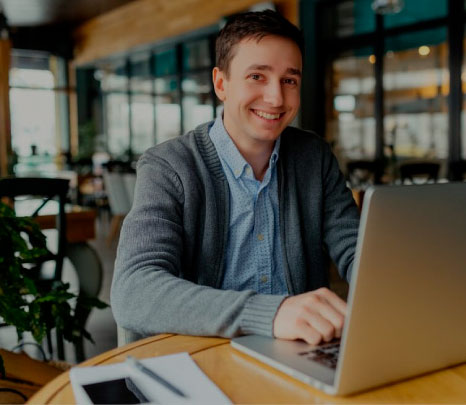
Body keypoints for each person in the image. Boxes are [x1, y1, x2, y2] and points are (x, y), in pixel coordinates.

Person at [111, 10, 359, 346]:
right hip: (203, 356)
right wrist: (270, 314)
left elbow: (358, 252)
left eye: (290, 80)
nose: (276, 98)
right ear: (221, 84)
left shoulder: (313, 158)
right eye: (257, 76)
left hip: (301, 355)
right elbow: (134, 291)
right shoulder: (168, 165)